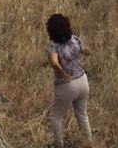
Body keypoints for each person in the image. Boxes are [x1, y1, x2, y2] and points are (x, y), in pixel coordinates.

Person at [45, 12, 93, 147]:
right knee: (82, 116)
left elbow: (54, 62)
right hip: (83, 81)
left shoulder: (53, 45)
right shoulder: (75, 39)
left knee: (56, 117)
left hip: (67, 84)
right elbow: (87, 51)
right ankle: (89, 142)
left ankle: (59, 145)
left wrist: (61, 72)